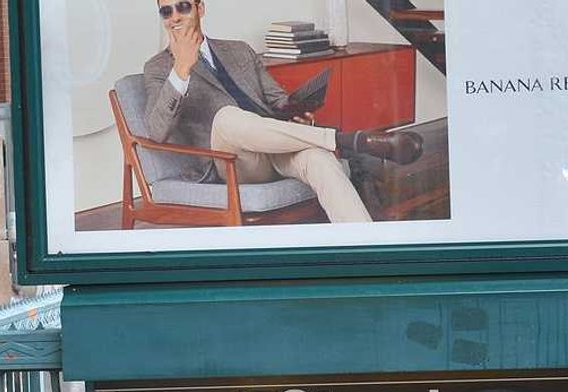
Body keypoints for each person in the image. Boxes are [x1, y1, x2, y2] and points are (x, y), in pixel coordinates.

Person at [142, 0, 423, 224]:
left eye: (183, 7)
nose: (175, 17)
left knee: (320, 159)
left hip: (277, 146)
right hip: (233, 163)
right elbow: (156, 130)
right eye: (166, 12)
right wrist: (181, 69)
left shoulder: (239, 50)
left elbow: (277, 101)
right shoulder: (158, 68)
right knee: (227, 116)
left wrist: (298, 112)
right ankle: (349, 141)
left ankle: (367, 252)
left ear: (200, 8)